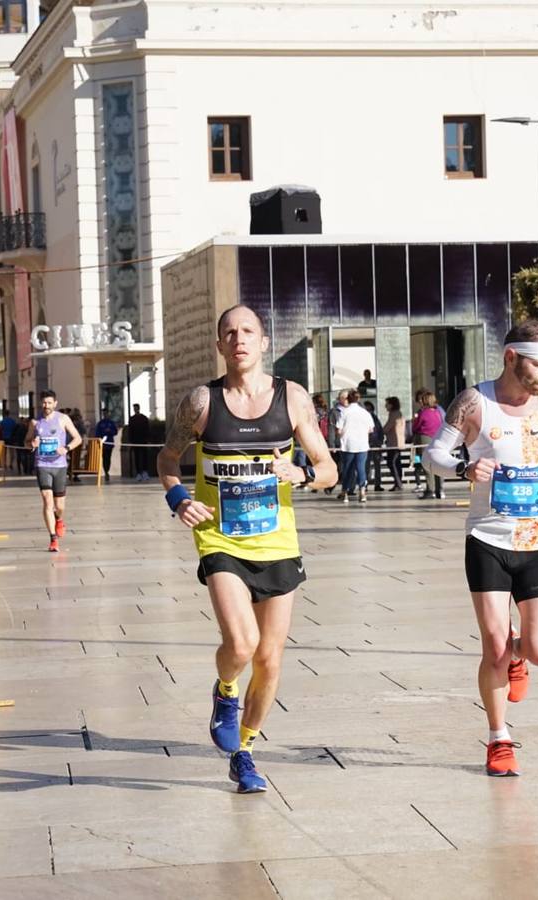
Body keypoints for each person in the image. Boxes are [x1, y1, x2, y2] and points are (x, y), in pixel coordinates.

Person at [157, 304, 336, 793]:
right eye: (229, 333)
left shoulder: (292, 399)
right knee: (242, 644)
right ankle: (225, 691)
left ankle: (245, 753)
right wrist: (179, 499)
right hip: (221, 537)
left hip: (277, 540)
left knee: (271, 659)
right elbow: (168, 458)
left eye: (248, 331)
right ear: (219, 345)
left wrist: (300, 473)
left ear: (263, 342)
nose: (239, 339)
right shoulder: (201, 402)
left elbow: (328, 468)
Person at [424, 319, 538, 777]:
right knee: (493, 646)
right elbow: (434, 455)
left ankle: (519, 655)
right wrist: (464, 470)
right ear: (511, 357)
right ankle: (498, 738)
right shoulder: (475, 402)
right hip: (488, 539)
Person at [33, 390, 82, 552]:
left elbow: (78, 438)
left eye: (49, 403)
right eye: (44, 403)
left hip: (59, 466)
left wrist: (66, 448)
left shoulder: (63, 419)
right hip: (42, 465)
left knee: (59, 506)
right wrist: (31, 443)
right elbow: (26, 442)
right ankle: (53, 538)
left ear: (55, 403)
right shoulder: (35, 422)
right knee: (47, 501)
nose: (46, 406)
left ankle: (58, 519)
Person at [336, 389, 374, 503]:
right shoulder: (365, 413)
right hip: (362, 444)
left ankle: (345, 492)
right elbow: (370, 429)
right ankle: (362, 491)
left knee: (347, 469)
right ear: (358, 399)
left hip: (348, 444)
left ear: (348, 399)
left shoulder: (344, 412)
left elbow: (339, 430)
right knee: (361, 468)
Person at [412, 390, 445, 499]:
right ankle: (440, 489)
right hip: (438, 438)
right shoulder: (438, 411)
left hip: (425, 438)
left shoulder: (423, 412)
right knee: (438, 464)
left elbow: (416, 426)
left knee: (427, 465)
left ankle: (430, 489)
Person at [383, 396, 407, 491]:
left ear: (391, 405)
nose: (385, 406)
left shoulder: (394, 414)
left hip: (394, 442)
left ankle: (398, 482)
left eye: (387, 404)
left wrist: (381, 431)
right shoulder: (398, 413)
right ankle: (398, 482)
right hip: (398, 442)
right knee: (397, 463)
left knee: (392, 462)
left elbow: (388, 426)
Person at [363, 399, 385, 491]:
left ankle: (375, 484)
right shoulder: (372, 418)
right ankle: (366, 484)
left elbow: (380, 431)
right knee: (367, 466)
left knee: (374, 466)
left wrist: (380, 441)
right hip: (368, 444)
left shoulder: (374, 418)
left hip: (374, 444)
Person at [94, 408, 118, 482]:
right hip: (103, 444)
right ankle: (106, 471)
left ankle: (107, 469)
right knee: (104, 458)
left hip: (110, 443)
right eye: (104, 413)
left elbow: (115, 432)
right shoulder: (100, 423)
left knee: (108, 457)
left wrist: (110, 431)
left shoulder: (111, 423)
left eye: (106, 413)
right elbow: (97, 434)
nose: (105, 415)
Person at [127, 404, 151, 481]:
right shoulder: (132, 419)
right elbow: (130, 430)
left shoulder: (144, 418)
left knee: (144, 457)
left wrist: (148, 439)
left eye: (136, 408)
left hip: (143, 441)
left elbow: (147, 429)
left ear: (139, 409)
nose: (135, 410)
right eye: (134, 408)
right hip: (135, 441)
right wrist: (130, 441)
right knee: (137, 457)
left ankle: (145, 472)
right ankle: (138, 473)